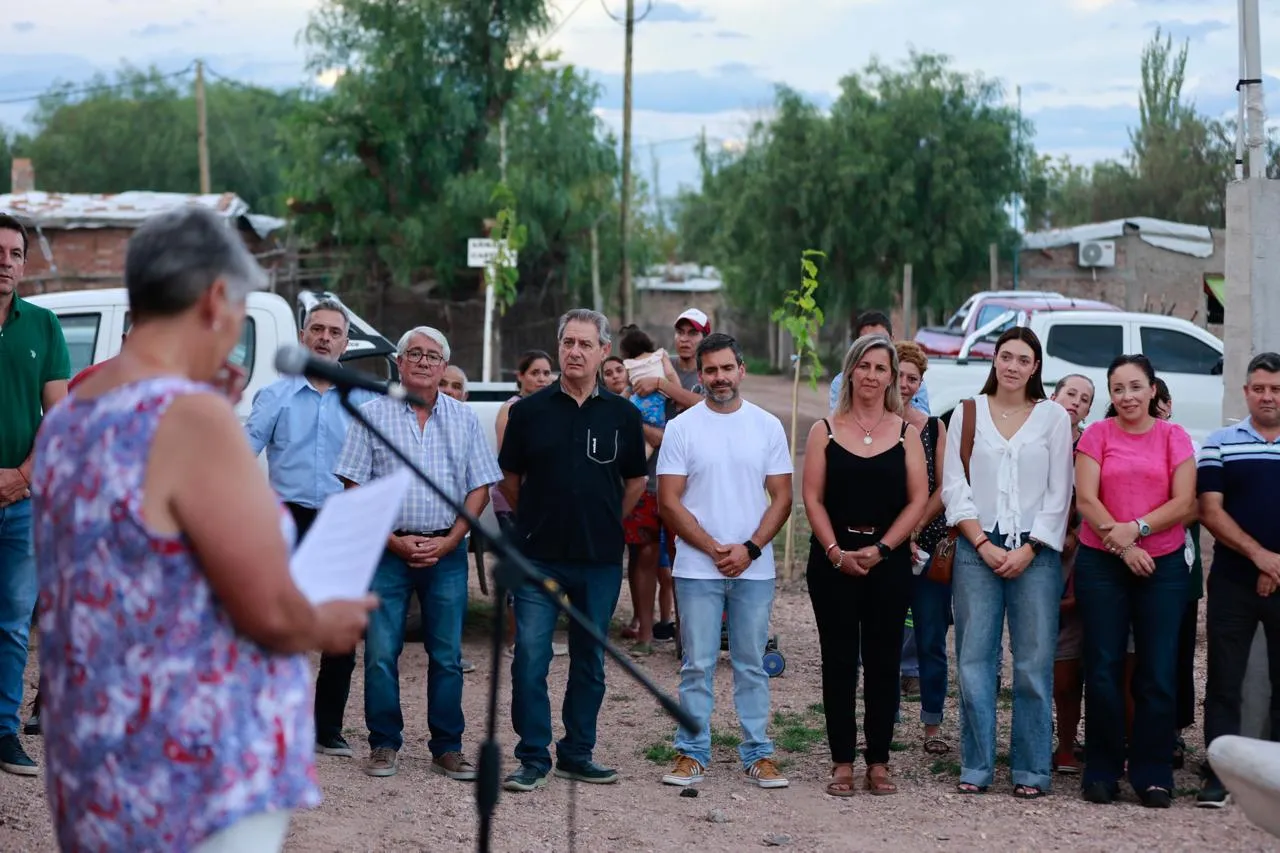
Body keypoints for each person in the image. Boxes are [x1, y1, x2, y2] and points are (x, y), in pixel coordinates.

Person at [30, 206, 375, 850]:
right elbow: (269, 609)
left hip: (97, 759)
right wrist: (326, 624)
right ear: (217, 298)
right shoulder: (190, 418)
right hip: (194, 772)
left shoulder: (72, 414)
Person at [335, 326, 501, 780]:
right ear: (399, 362)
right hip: (387, 551)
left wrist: (451, 540)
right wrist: (392, 540)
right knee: (380, 653)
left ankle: (447, 747)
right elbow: (353, 485)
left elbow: (480, 487)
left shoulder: (464, 419)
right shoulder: (371, 414)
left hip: (446, 551)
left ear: (444, 366)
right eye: (415, 353)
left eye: (433, 356)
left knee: (447, 654)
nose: (424, 361)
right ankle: (384, 743)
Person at [498, 308, 647, 792]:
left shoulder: (623, 415)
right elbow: (511, 480)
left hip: (599, 559)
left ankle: (577, 753)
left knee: (590, 661)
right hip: (537, 557)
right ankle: (532, 756)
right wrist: (538, 521)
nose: (575, 352)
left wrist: (604, 521)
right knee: (530, 657)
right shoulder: (528, 412)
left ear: (604, 351)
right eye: (568, 343)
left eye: (585, 344)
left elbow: (635, 481)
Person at [656, 333, 793, 788]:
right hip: (697, 568)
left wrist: (749, 548)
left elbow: (782, 496)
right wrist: (713, 547)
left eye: (727, 368)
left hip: (754, 568)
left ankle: (758, 753)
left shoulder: (767, 426)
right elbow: (668, 501)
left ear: (741, 370)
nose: (720, 377)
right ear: (700, 375)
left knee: (751, 663)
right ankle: (692, 752)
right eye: (711, 370)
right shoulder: (682, 428)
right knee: (697, 664)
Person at [941, 327, 1073, 799]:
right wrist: (981, 542)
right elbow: (954, 485)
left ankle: (1031, 769)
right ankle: (976, 766)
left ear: (1036, 367)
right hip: (978, 547)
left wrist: (1031, 548)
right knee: (974, 661)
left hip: (1036, 551)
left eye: (1023, 359)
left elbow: (1061, 490)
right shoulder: (968, 411)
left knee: (1033, 663)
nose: (1013, 366)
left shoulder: (1053, 417)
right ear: (994, 360)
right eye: (1006, 357)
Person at [245, 298, 375, 759]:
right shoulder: (275, 395)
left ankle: (327, 728)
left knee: (339, 629)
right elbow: (244, 452)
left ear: (346, 342)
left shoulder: (364, 401)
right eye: (317, 329)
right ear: (303, 336)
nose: (324, 338)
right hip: (289, 517)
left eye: (334, 332)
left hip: (341, 521)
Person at [802, 335, 928, 796]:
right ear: (851, 371)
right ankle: (841, 761)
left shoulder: (907, 434)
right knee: (838, 661)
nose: (872, 375)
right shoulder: (824, 431)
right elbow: (812, 498)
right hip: (832, 561)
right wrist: (836, 551)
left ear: (891, 377)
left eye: (881, 368)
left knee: (883, 661)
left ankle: (878, 760)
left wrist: (884, 549)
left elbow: (918, 499)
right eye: (864, 366)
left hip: (887, 563)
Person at [1073, 354, 1195, 808]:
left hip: (1163, 566)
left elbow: (1184, 502)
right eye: (1118, 389)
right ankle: (1102, 769)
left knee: (1158, 671)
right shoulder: (1097, 435)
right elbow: (1086, 500)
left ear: (1152, 390)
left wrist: (1138, 529)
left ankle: (1153, 772)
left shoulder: (1173, 436)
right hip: (1102, 563)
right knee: (1103, 668)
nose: (1127, 396)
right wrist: (1124, 548)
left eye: (1135, 387)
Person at [0, 212, 69, 776]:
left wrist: (22, 476)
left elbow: (59, 414)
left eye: (15, 254)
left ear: (25, 264)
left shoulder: (44, 326)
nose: (5, 262)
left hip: (23, 503)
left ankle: (3, 732)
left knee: (12, 623)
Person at [1196, 352, 1280, 808]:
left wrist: (1274, 566)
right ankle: (1218, 775)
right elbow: (1210, 511)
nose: (1268, 396)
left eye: (1276, 389)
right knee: (1224, 681)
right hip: (1232, 582)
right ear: (1246, 392)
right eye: (1259, 388)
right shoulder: (1220, 443)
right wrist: (1261, 558)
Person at [633, 308, 710, 640]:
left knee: (684, 557)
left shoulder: (709, 374)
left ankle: (685, 632)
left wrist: (662, 385)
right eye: (680, 332)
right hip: (650, 478)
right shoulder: (656, 365)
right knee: (645, 552)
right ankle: (645, 632)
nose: (685, 339)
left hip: (688, 485)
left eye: (693, 333)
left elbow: (703, 406)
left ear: (705, 338)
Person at [894, 341, 951, 755]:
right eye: (898, 375)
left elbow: (944, 487)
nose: (904, 384)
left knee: (931, 637)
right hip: (884, 547)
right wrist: (897, 536)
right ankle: (886, 719)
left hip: (928, 548)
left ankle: (932, 725)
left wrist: (914, 530)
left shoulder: (933, 428)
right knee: (884, 638)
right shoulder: (872, 425)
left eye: (912, 378)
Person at [617, 326, 676, 654]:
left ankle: (673, 633)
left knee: (670, 562)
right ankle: (644, 629)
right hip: (643, 486)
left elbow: (674, 435)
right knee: (643, 557)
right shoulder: (645, 376)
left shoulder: (679, 383)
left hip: (668, 486)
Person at [1049, 374, 1095, 774]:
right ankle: (1045, 741)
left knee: (1078, 657)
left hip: (1082, 556)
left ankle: (1072, 743)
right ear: (1054, 395)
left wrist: (1077, 533)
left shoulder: (1093, 444)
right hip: (1035, 552)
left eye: (1084, 399)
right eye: (1070, 394)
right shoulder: (1034, 433)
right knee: (1044, 660)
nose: (1075, 402)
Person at [828, 311, 930, 416]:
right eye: (867, 341)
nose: (876, 346)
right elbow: (838, 419)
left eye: (881, 340)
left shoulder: (909, 378)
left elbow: (923, 420)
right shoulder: (841, 381)